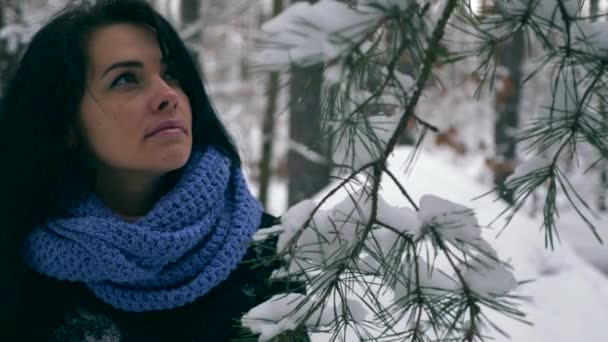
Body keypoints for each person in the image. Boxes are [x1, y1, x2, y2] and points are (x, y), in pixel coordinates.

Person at [0, 0, 306, 340]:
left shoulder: (265, 253)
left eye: (171, 73)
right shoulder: (18, 268)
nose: (167, 95)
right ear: (64, 124)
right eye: (125, 79)